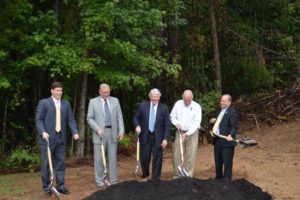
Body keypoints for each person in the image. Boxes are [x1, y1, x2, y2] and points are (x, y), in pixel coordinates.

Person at [35, 81, 79, 196]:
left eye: (61, 91)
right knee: (46, 164)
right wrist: (43, 132)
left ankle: (61, 186)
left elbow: (71, 119)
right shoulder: (44, 103)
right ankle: (47, 187)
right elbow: (38, 120)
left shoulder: (66, 104)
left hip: (61, 138)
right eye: (57, 91)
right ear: (52, 91)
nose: (60, 93)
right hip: (47, 139)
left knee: (60, 164)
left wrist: (75, 132)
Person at [87, 83, 125, 188]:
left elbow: (119, 117)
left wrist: (121, 131)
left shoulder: (115, 101)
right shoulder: (93, 102)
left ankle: (113, 180)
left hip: (113, 132)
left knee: (112, 157)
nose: (106, 94)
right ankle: (99, 181)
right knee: (99, 158)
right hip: (99, 133)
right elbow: (89, 118)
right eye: (104, 92)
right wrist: (97, 129)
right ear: (99, 91)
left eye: (108, 92)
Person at [133, 88, 171, 180]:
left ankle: (156, 177)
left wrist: (166, 138)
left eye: (157, 98)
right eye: (153, 98)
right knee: (144, 157)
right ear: (150, 97)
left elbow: (167, 125)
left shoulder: (164, 108)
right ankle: (145, 174)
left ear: (159, 97)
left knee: (158, 158)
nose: (155, 100)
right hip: (145, 136)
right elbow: (135, 117)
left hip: (158, 137)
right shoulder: (143, 106)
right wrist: (137, 125)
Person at [170, 90, 202, 178]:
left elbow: (197, 122)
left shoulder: (197, 106)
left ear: (192, 98)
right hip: (180, 132)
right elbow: (172, 116)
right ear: (182, 97)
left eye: (189, 100)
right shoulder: (178, 104)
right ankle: (177, 175)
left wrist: (187, 134)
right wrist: (176, 123)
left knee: (190, 155)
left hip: (192, 133)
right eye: (185, 100)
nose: (187, 102)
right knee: (177, 153)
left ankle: (188, 175)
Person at [210, 94, 238, 181]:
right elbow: (217, 125)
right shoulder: (218, 112)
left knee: (227, 163)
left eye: (224, 101)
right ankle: (218, 178)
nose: (222, 102)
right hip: (217, 140)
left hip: (227, 142)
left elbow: (234, 127)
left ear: (229, 102)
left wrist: (230, 135)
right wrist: (211, 122)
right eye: (221, 100)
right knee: (218, 162)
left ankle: (227, 180)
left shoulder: (232, 112)